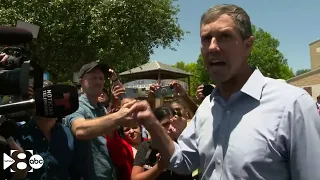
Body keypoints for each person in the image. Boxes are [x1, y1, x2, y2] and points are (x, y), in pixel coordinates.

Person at [129, 4, 320, 180]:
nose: (212, 47)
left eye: (225, 36)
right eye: (206, 38)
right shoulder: (206, 108)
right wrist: (152, 123)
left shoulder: (293, 105)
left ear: (248, 45)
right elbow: (182, 161)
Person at [65, 62, 137, 180]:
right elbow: (79, 130)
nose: (98, 81)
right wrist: (118, 116)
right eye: (93, 77)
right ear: (81, 81)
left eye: (101, 78)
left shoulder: (102, 109)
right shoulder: (76, 106)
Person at [10, 80, 76, 179]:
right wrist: (20, 172)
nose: (47, 105)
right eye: (41, 101)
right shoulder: (16, 136)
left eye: (50, 100)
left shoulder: (69, 134)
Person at [131, 106, 193, 180]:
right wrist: (159, 167)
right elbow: (135, 178)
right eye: (165, 124)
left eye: (173, 122)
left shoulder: (184, 144)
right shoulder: (147, 147)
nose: (170, 127)